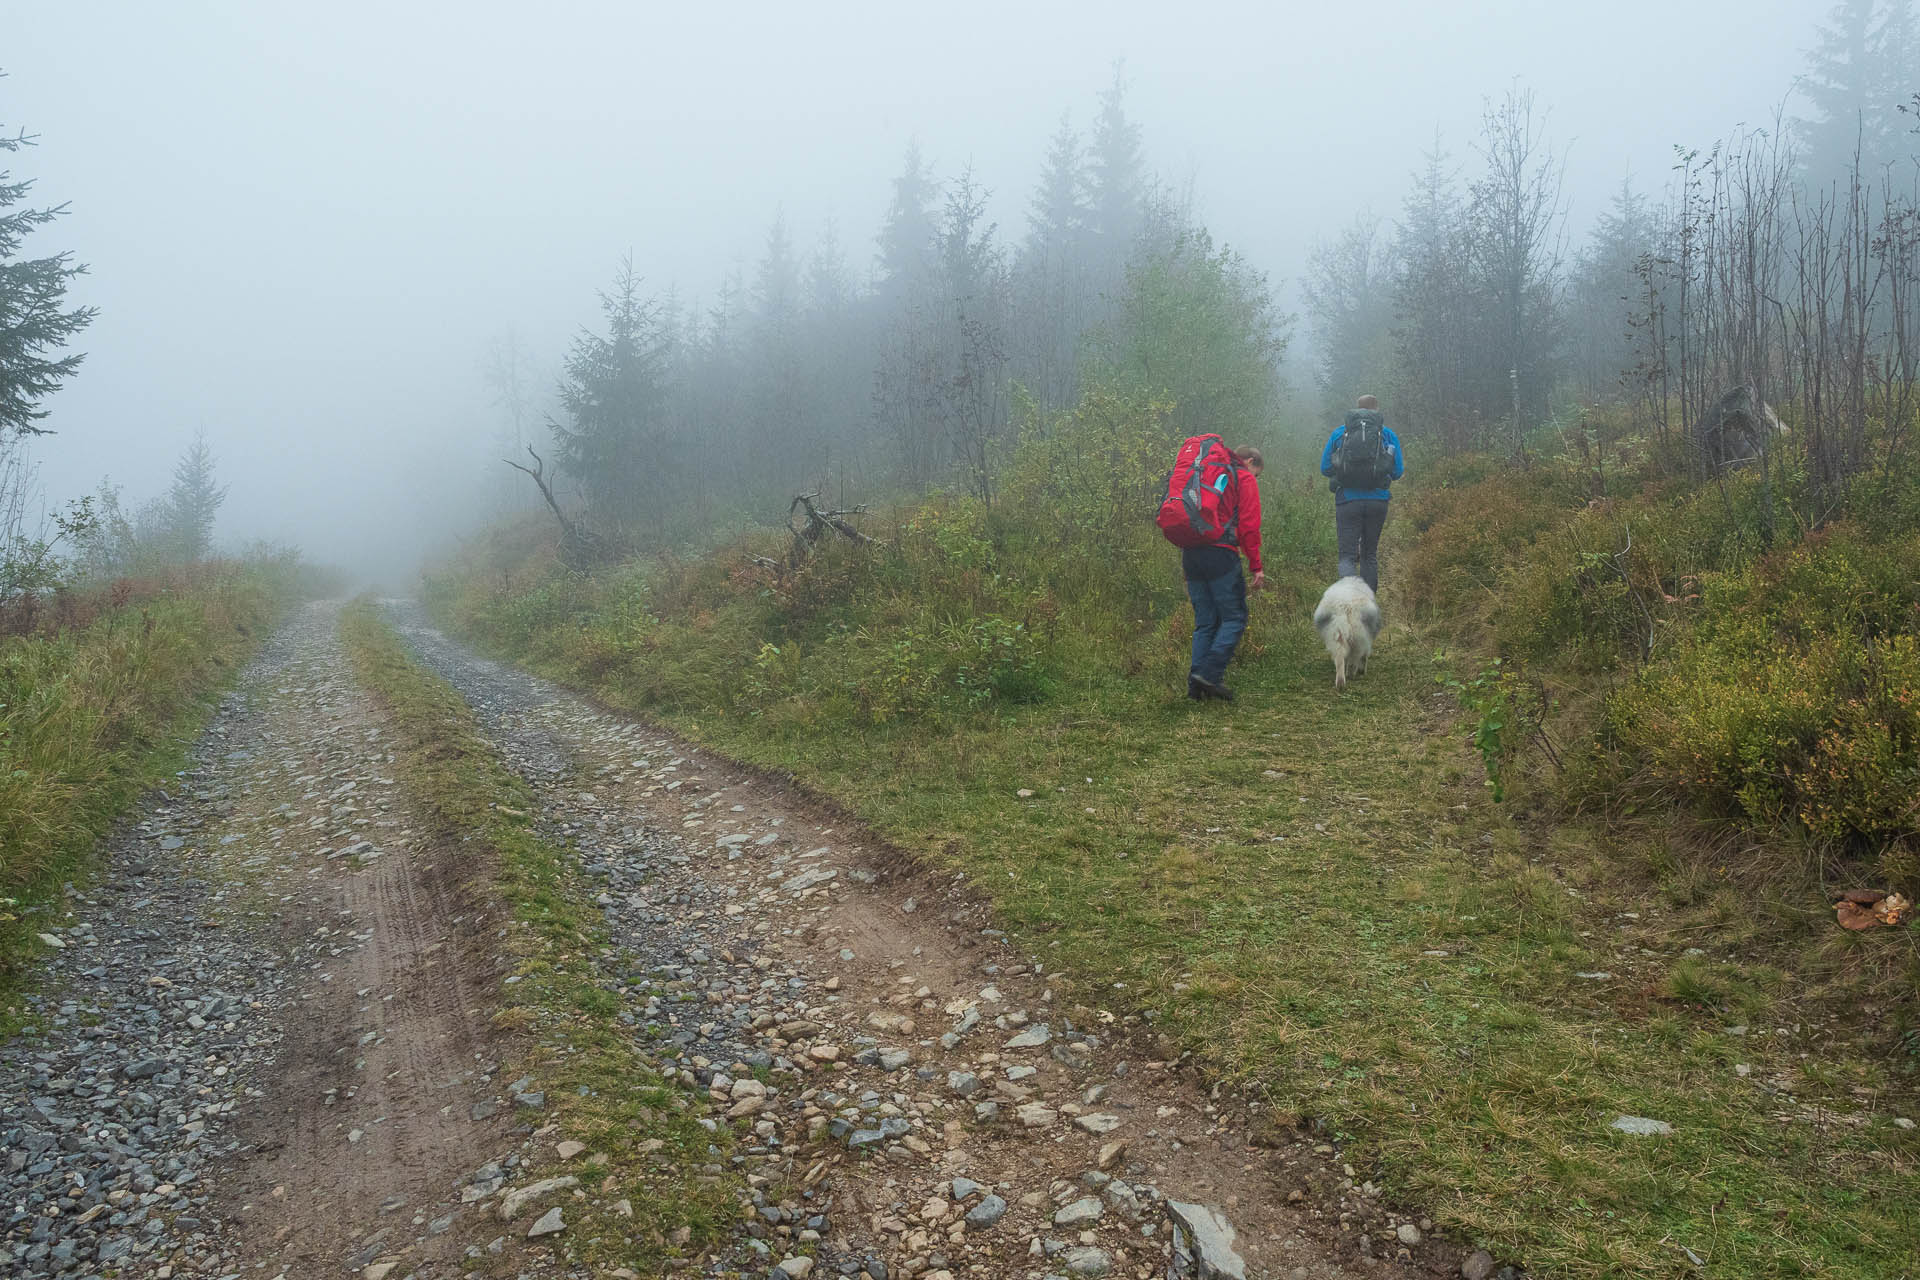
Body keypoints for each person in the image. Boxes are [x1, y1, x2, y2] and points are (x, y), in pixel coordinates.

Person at [1184, 446, 1264, 702]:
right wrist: (1256, 565)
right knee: (1234, 618)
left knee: (1206, 621)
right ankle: (1209, 674)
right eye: (1257, 472)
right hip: (1220, 553)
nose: (1256, 477)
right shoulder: (1243, 477)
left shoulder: (1205, 470)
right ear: (1250, 461)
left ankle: (1196, 686)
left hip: (1191, 552)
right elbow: (1250, 525)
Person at [1319, 395, 1404, 592]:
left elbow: (1325, 468)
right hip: (1378, 502)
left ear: (1356, 410)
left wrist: (1345, 472)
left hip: (1347, 501)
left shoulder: (1340, 433)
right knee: (1369, 555)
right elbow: (1397, 472)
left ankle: (1351, 605)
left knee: (1347, 557)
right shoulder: (1388, 435)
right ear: (1377, 410)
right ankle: (1368, 607)